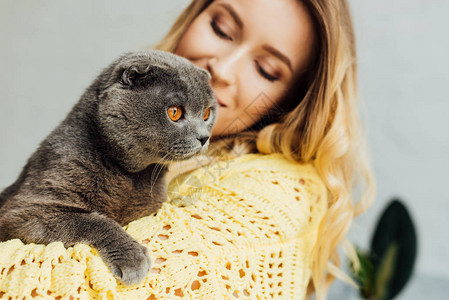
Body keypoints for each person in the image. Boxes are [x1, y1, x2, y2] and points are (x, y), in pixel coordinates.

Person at [0, 0, 375, 299]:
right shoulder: (145, 145)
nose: (221, 69)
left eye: (266, 69)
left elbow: (64, 287)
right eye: (221, 28)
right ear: (195, 14)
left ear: (291, 101)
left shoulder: (270, 197)